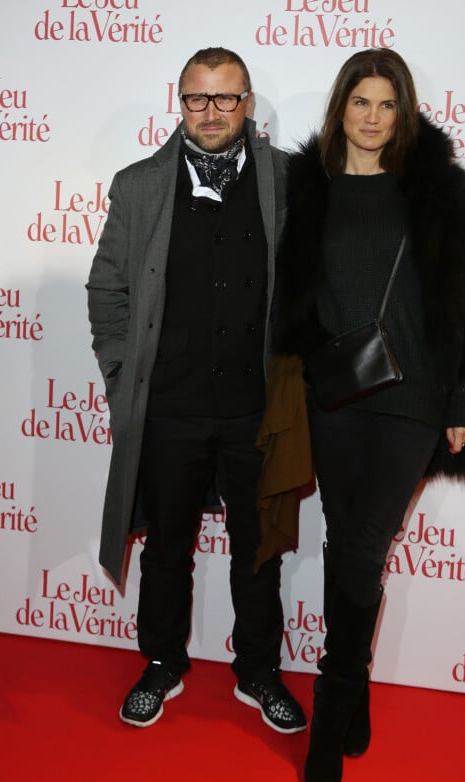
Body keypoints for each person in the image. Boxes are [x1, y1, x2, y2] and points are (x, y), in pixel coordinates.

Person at [275, 48, 465, 782]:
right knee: (347, 542)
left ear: (402, 112)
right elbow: (282, 295)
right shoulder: (303, 191)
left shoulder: (440, 193)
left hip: (414, 398)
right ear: (340, 108)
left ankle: (331, 699)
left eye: (386, 105)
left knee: (366, 541)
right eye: (360, 103)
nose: (372, 118)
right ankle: (359, 686)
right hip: (334, 395)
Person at [86, 47, 306, 735]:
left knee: (258, 547)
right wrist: (123, 379)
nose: (211, 113)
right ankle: (160, 663)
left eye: (226, 99)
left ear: (248, 104)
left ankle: (259, 671)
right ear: (179, 102)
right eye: (197, 99)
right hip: (171, 406)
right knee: (166, 547)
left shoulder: (285, 178)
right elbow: (107, 289)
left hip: (255, 407)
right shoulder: (139, 184)